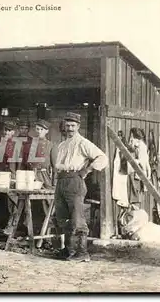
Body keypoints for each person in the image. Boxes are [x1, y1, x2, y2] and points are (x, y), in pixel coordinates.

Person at [54, 112, 108, 262]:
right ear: (64, 126)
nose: (70, 128)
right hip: (62, 180)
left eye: (73, 126)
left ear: (78, 126)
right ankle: (68, 249)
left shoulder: (83, 143)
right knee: (62, 217)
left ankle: (82, 252)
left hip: (75, 181)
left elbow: (102, 157)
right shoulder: (62, 144)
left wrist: (88, 170)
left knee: (77, 217)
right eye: (67, 125)